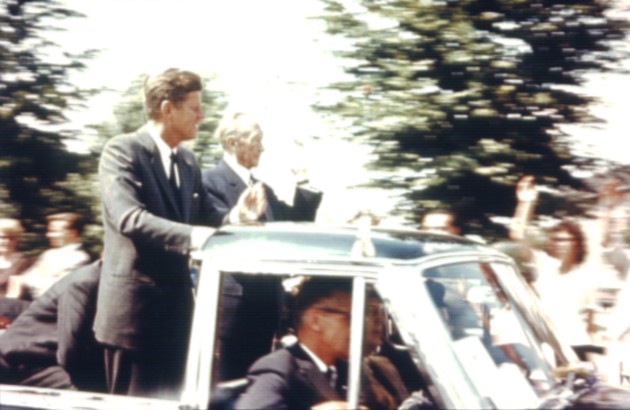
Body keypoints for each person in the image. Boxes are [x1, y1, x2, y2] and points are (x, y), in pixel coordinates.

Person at [95, 68, 265, 399]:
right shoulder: (122, 151)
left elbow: (205, 216)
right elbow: (129, 219)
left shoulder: (187, 161)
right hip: (134, 322)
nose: (202, 115)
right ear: (166, 108)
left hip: (178, 322)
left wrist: (237, 215)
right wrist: (195, 237)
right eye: (194, 107)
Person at [235, 277, 352, 410]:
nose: (359, 328)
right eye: (350, 318)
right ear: (316, 320)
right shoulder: (279, 368)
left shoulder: (349, 370)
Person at [510, 175, 599, 347]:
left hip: (576, 344)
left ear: (577, 244)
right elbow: (519, 236)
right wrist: (526, 204)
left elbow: (591, 319)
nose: (560, 245)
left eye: (565, 240)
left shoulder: (587, 274)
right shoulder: (544, 265)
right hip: (545, 344)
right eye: (556, 240)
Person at [0, 261, 104, 392]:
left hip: (45, 358)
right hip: (21, 361)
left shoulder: (100, 280)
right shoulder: (86, 281)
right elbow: (72, 352)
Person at [202, 112, 323, 223]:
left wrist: (302, 177)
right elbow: (216, 227)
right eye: (256, 140)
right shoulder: (208, 183)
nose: (262, 148)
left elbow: (297, 223)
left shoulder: (264, 190)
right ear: (232, 143)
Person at [6, 213, 90, 300]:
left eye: (54, 231)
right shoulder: (49, 254)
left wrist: (29, 281)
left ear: (72, 233)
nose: (48, 235)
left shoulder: (79, 258)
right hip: (34, 303)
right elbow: (25, 278)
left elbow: (56, 288)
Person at [0, 218, 33, 296]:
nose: (7, 241)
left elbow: (14, 293)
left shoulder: (22, 262)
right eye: (2, 237)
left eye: (12, 238)